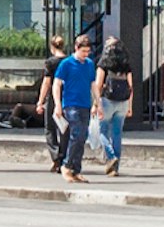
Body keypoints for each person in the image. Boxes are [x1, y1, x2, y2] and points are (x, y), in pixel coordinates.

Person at [51, 33, 97, 180]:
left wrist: (98, 103)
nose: (85, 54)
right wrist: (58, 105)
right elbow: (56, 84)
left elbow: (93, 84)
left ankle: (76, 170)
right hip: (70, 104)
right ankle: (67, 164)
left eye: (87, 52)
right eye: (83, 51)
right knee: (76, 134)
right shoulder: (66, 63)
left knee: (82, 137)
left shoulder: (89, 64)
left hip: (85, 104)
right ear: (76, 48)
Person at [96, 51, 134, 177]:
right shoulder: (125, 65)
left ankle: (111, 157)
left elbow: (98, 85)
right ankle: (114, 168)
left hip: (107, 101)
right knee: (117, 134)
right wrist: (130, 106)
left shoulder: (104, 63)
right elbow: (130, 86)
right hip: (122, 102)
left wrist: (95, 105)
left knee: (102, 131)